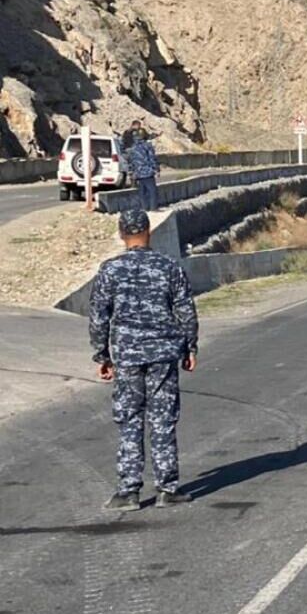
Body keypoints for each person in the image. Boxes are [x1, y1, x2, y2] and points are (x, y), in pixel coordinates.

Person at [89, 208, 199, 511]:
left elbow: (99, 316)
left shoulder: (110, 270)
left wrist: (102, 355)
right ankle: (167, 487)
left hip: (127, 355)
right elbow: (186, 310)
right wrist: (190, 348)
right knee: (163, 419)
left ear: (122, 234)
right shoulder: (168, 267)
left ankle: (129, 491)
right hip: (164, 354)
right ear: (148, 232)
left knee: (129, 419)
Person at [128, 129, 161, 211]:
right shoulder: (147, 146)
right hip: (148, 172)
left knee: (142, 193)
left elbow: (131, 162)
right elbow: (152, 159)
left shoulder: (132, 148)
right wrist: (156, 169)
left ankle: (144, 208)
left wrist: (132, 173)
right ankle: (153, 208)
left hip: (138, 174)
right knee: (152, 191)